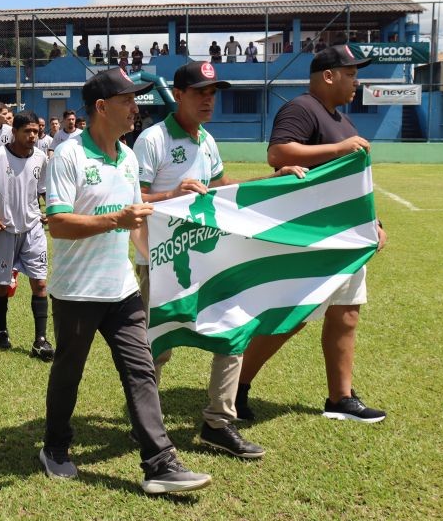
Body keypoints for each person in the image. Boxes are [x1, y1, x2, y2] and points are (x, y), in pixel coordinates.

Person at [39, 67, 210, 494]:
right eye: (128, 101)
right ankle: (55, 448)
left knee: (140, 371)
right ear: (101, 107)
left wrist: (162, 255)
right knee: (68, 372)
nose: (136, 108)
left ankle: (160, 464)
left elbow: (137, 220)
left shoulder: (129, 156)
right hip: (77, 291)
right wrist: (115, 219)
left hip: (123, 290)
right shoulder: (69, 156)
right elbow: (57, 223)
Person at [133, 62, 306, 458]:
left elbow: (222, 188)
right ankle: (144, 424)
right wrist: (174, 194)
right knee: (157, 345)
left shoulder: (207, 140)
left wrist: (273, 180)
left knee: (232, 330)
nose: (209, 99)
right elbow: (135, 199)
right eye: (200, 92)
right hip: (164, 260)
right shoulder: (153, 139)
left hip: (211, 255)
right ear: (178, 95)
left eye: (213, 92)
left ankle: (218, 422)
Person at [235, 44, 388, 424]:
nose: (356, 81)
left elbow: (350, 185)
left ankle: (340, 397)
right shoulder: (302, 109)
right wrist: (339, 148)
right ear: (328, 75)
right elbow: (278, 154)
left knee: (346, 314)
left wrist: (375, 224)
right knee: (292, 317)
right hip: (312, 238)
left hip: (345, 238)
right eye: (351, 74)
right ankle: (234, 387)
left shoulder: (343, 121)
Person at [0, 112, 52, 359]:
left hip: (33, 230)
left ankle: (41, 339)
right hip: (4, 230)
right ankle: (2, 330)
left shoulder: (40, 158)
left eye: (35, 132)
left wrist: (48, 209)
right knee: (1, 286)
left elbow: (43, 190)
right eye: (27, 131)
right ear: (14, 132)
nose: (32, 136)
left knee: (40, 283)